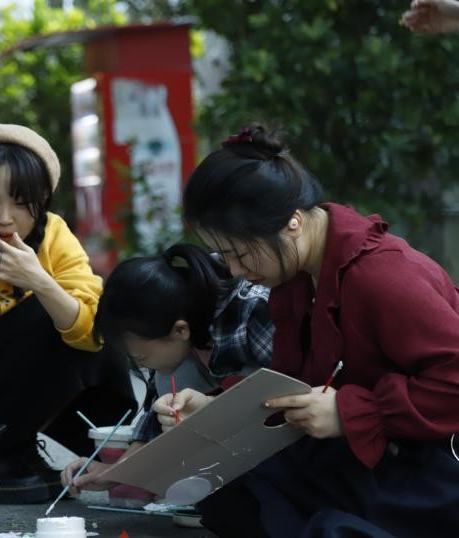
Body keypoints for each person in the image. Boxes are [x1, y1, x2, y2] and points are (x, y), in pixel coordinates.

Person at [160, 123, 459, 537]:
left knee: (323, 526)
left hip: (428, 472)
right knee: (226, 491)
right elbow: (291, 383)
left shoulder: (382, 276)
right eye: (225, 256)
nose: (235, 270)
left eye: (241, 253)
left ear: (293, 222)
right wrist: (214, 408)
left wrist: (353, 413)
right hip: (363, 459)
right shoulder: (296, 275)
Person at [0, 124, 136, 504]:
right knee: (42, 315)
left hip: (13, 384)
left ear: (43, 198)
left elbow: (91, 332)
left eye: (21, 202)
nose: (5, 218)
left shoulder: (53, 235)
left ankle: (92, 451)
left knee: (92, 321)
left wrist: (39, 280)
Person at [61, 244, 272, 497]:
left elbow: (285, 384)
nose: (141, 366)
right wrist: (115, 472)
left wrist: (213, 408)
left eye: (141, 357)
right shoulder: (168, 323)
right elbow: (156, 418)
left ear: (180, 330)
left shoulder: (249, 310)